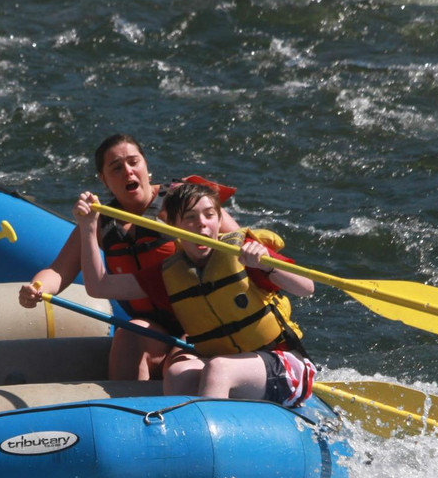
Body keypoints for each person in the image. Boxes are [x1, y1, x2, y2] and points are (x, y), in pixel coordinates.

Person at [74, 181, 317, 406]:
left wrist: (267, 265)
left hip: (285, 363)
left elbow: (307, 287)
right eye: (190, 217)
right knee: (178, 373)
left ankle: (212, 445)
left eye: (209, 215)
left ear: (218, 220)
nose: (201, 223)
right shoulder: (169, 274)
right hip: (232, 368)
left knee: (218, 368)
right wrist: (88, 227)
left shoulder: (246, 253)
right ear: (174, 226)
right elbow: (100, 286)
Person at [18, 133, 239, 380]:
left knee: (178, 367)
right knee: (128, 337)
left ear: (146, 166)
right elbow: (59, 271)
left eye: (134, 162)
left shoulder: (183, 202)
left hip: (200, 314)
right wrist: (36, 287)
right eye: (116, 168)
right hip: (154, 324)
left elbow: (236, 242)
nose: (128, 172)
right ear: (104, 180)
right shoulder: (98, 220)